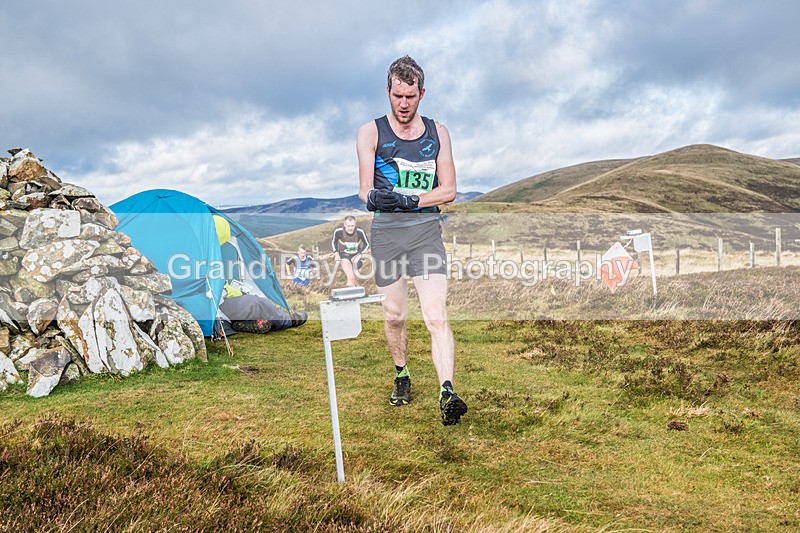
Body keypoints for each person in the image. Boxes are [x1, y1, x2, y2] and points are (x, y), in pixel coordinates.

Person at [356, 55, 467, 426]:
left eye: (411, 97)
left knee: (436, 314)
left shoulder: (439, 133)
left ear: (423, 93)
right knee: (394, 316)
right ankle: (402, 373)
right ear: (388, 91)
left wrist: (412, 200)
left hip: (425, 234)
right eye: (397, 96)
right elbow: (364, 191)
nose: (403, 104)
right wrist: (375, 199)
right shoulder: (370, 132)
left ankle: (447, 391)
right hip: (387, 235)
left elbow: (449, 190)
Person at [213, 215, 307, 334]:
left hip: (213, 306)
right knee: (258, 302)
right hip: (220, 305)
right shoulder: (209, 257)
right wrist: (239, 293)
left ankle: (248, 323)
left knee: (252, 302)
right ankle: (288, 320)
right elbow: (220, 289)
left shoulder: (201, 253)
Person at [331, 215, 370, 287]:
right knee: (351, 278)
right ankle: (349, 297)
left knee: (355, 280)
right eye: (348, 226)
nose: (350, 228)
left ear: (355, 225)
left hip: (356, 256)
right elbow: (334, 242)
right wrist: (336, 253)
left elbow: (367, 244)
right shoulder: (338, 231)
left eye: (352, 226)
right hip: (344, 255)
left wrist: (360, 254)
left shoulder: (360, 231)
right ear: (344, 225)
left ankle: (357, 295)